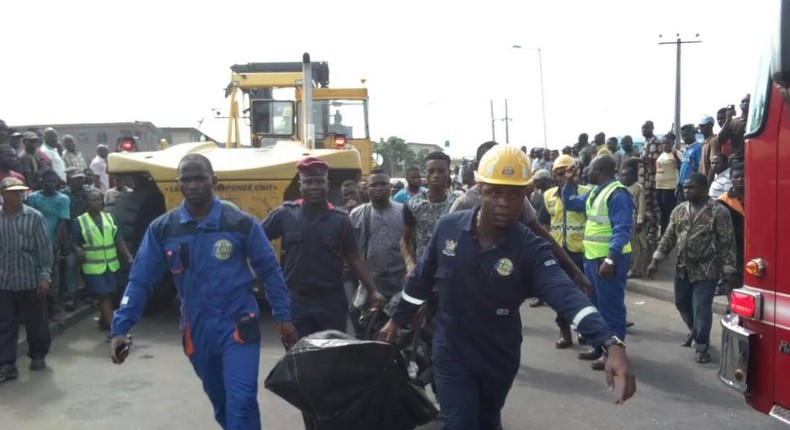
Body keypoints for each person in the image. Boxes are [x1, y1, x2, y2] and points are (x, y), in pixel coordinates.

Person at [379, 145, 636, 429]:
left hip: (498, 355)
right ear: (480, 190)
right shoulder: (449, 228)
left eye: (514, 194)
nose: (504, 202)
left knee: (488, 420)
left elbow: (566, 296)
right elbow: (421, 280)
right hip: (452, 348)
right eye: (495, 193)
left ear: (525, 195)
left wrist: (609, 342)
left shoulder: (530, 249)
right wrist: (397, 319)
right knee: (460, 422)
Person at [110, 154, 297, 430]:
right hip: (196, 330)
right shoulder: (163, 228)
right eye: (186, 179)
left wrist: (283, 316)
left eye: (200, 178)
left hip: (238, 325)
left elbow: (270, 271)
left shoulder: (240, 223)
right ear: (179, 184)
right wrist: (120, 328)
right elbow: (140, 280)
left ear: (214, 181)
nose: (194, 185)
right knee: (222, 403)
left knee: (242, 399)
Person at [452, 142, 592, 307]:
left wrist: (574, 270)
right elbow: (446, 248)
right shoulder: (463, 203)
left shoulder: (517, 200)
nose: (503, 202)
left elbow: (542, 234)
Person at [262, 157, 385, 338]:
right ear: (300, 185)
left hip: (331, 302)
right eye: (308, 182)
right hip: (296, 301)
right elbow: (256, 240)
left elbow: (354, 257)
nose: (314, 187)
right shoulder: (285, 214)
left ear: (327, 185)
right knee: (300, 357)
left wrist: (373, 290)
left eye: (319, 182)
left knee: (332, 357)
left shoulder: (340, 219)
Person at [647, 173, 737, 364]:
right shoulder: (679, 211)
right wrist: (656, 260)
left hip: (707, 270)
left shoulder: (719, 212)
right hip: (682, 269)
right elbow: (669, 237)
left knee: (702, 308)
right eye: (685, 188)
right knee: (681, 304)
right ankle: (695, 330)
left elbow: (727, 243)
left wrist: (728, 271)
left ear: (705, 189)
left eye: (692, 187)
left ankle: (702, 346)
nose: (687, 191)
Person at [562, 155, 633, 371]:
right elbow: (571, 204)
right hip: (593, 258)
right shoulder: (596, 191)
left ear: (600, 170)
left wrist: (611, 259)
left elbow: (622, 229)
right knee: (595, 306)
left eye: (590, 168)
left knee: (611, 308)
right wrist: (569, 181)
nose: (586, 171)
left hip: (608, 260)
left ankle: (614, 353)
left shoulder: (618, 193)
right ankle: (600, 346)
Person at [0, 177, 54, 380]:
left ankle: (38, 355)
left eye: (21, 191)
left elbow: (44, 249)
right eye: (14, 192)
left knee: (36, 323)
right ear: (4, 195)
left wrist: (44, 276)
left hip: (31, 281)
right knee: (5, 324)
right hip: (4, 282)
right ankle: (6, 364)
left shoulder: (34, 217)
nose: (20, 195)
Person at [538, 154, 591, 348]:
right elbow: (543, 224)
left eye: (567, 171)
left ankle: (584, 329)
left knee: (584, 293)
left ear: (575, 171)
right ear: (554, 175)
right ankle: (564, 331)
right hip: (557, 252)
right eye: (559, 173)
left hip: (582, 251)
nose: (563, 176)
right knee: (560, 295)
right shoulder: (548, 195)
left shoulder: (586, 192)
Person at [73, 189, 134, 336]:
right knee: (104, 295)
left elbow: (118, 239)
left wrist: (128, 256)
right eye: (93, 200)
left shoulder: (109, 218)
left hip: (112, 265)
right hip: (93, 267)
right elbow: (74, 242)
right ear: (87, 203)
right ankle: (116, 331)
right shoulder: (79, 221)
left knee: (112, 295)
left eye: (99, 199)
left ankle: (103, 320)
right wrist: (78, 250)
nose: (97, 203)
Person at [349, 168, 405, 302]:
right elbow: (351, 251)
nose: (378, 188)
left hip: (399, 282)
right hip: (369, 282)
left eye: (383, 184)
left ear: (390, 187)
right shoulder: (357, 214)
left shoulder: (404, 211)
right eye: (373, 185)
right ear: (367, 189)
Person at [402, 152, 458, 273]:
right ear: (425, 173)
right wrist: (409, 263)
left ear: (449, 173)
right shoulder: (413, 205)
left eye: (441, 171)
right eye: (431, 171)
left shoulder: (458, 202)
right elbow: (405, 240)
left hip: (452, 269)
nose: (435, 175)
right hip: (423, 269)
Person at [26, 168, 71, 317]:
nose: (51, 184)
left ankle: (52, 307)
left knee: (53, 275)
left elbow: (62, 222)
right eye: (48, 181)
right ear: (42, 182)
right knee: (33, 275)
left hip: (52, 241)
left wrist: (56, 243)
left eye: (54, 182)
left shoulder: (63, 199)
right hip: (33, 243)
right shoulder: (32, 198)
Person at [717, 162, 744, 299]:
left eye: (743, 176)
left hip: (756, 248)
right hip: (733, 251)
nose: (740, 179)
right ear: (731, 179)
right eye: (736, 177)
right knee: (733, 285)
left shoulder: (758, 196)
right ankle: (733, 312)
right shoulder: (723, 202)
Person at [637, 120, 661, 268]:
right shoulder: (645, 143)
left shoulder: (656, 142)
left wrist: (646, 161)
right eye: (642, 127)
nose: (644, 130)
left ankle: (653, 235)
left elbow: (656, 163)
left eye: (646, 127)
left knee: (651, 208)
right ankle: (650, 234)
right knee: (645, 208)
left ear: (652, 128)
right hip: (642, 180)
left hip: (651, 181)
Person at [620, 162, 647, 279]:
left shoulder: (638, 188)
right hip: (622, 219)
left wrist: (640, 221)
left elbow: (642, 205)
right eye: (623, 175)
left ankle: (636, 269)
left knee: (636, 245)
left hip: (634, 218)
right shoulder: (619, 188)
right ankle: (628, 267)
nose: (625, 178)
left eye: (628, 175)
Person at [655, 133, 680, 235]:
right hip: (659, 186)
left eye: (667, 143)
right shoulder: (662, 155)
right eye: (663, 143)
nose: (664, 145)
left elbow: (680, 166)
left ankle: (671, 233)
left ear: (672, 143)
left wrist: (674, 155)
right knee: (662, 211)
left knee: (669, 211)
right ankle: (663, 233)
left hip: (669, 187)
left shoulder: (676, 154)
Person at [677, 124, 702, 203]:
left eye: (686, 135)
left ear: (693, 134)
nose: (684, 137)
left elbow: (699, 167)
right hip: (682, 184)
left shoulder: (698, 148)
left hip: (692, 185)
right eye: (683, 135)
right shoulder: (686, 149)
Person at [698, 116, 720, 183]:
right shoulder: (704, 142)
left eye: (704, 125)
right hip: (701, 179)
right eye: (700, 125)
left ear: (711, 125)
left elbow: (713, 164)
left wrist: (708, 181)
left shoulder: (713, 141)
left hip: (707, 180)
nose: (701, 128)